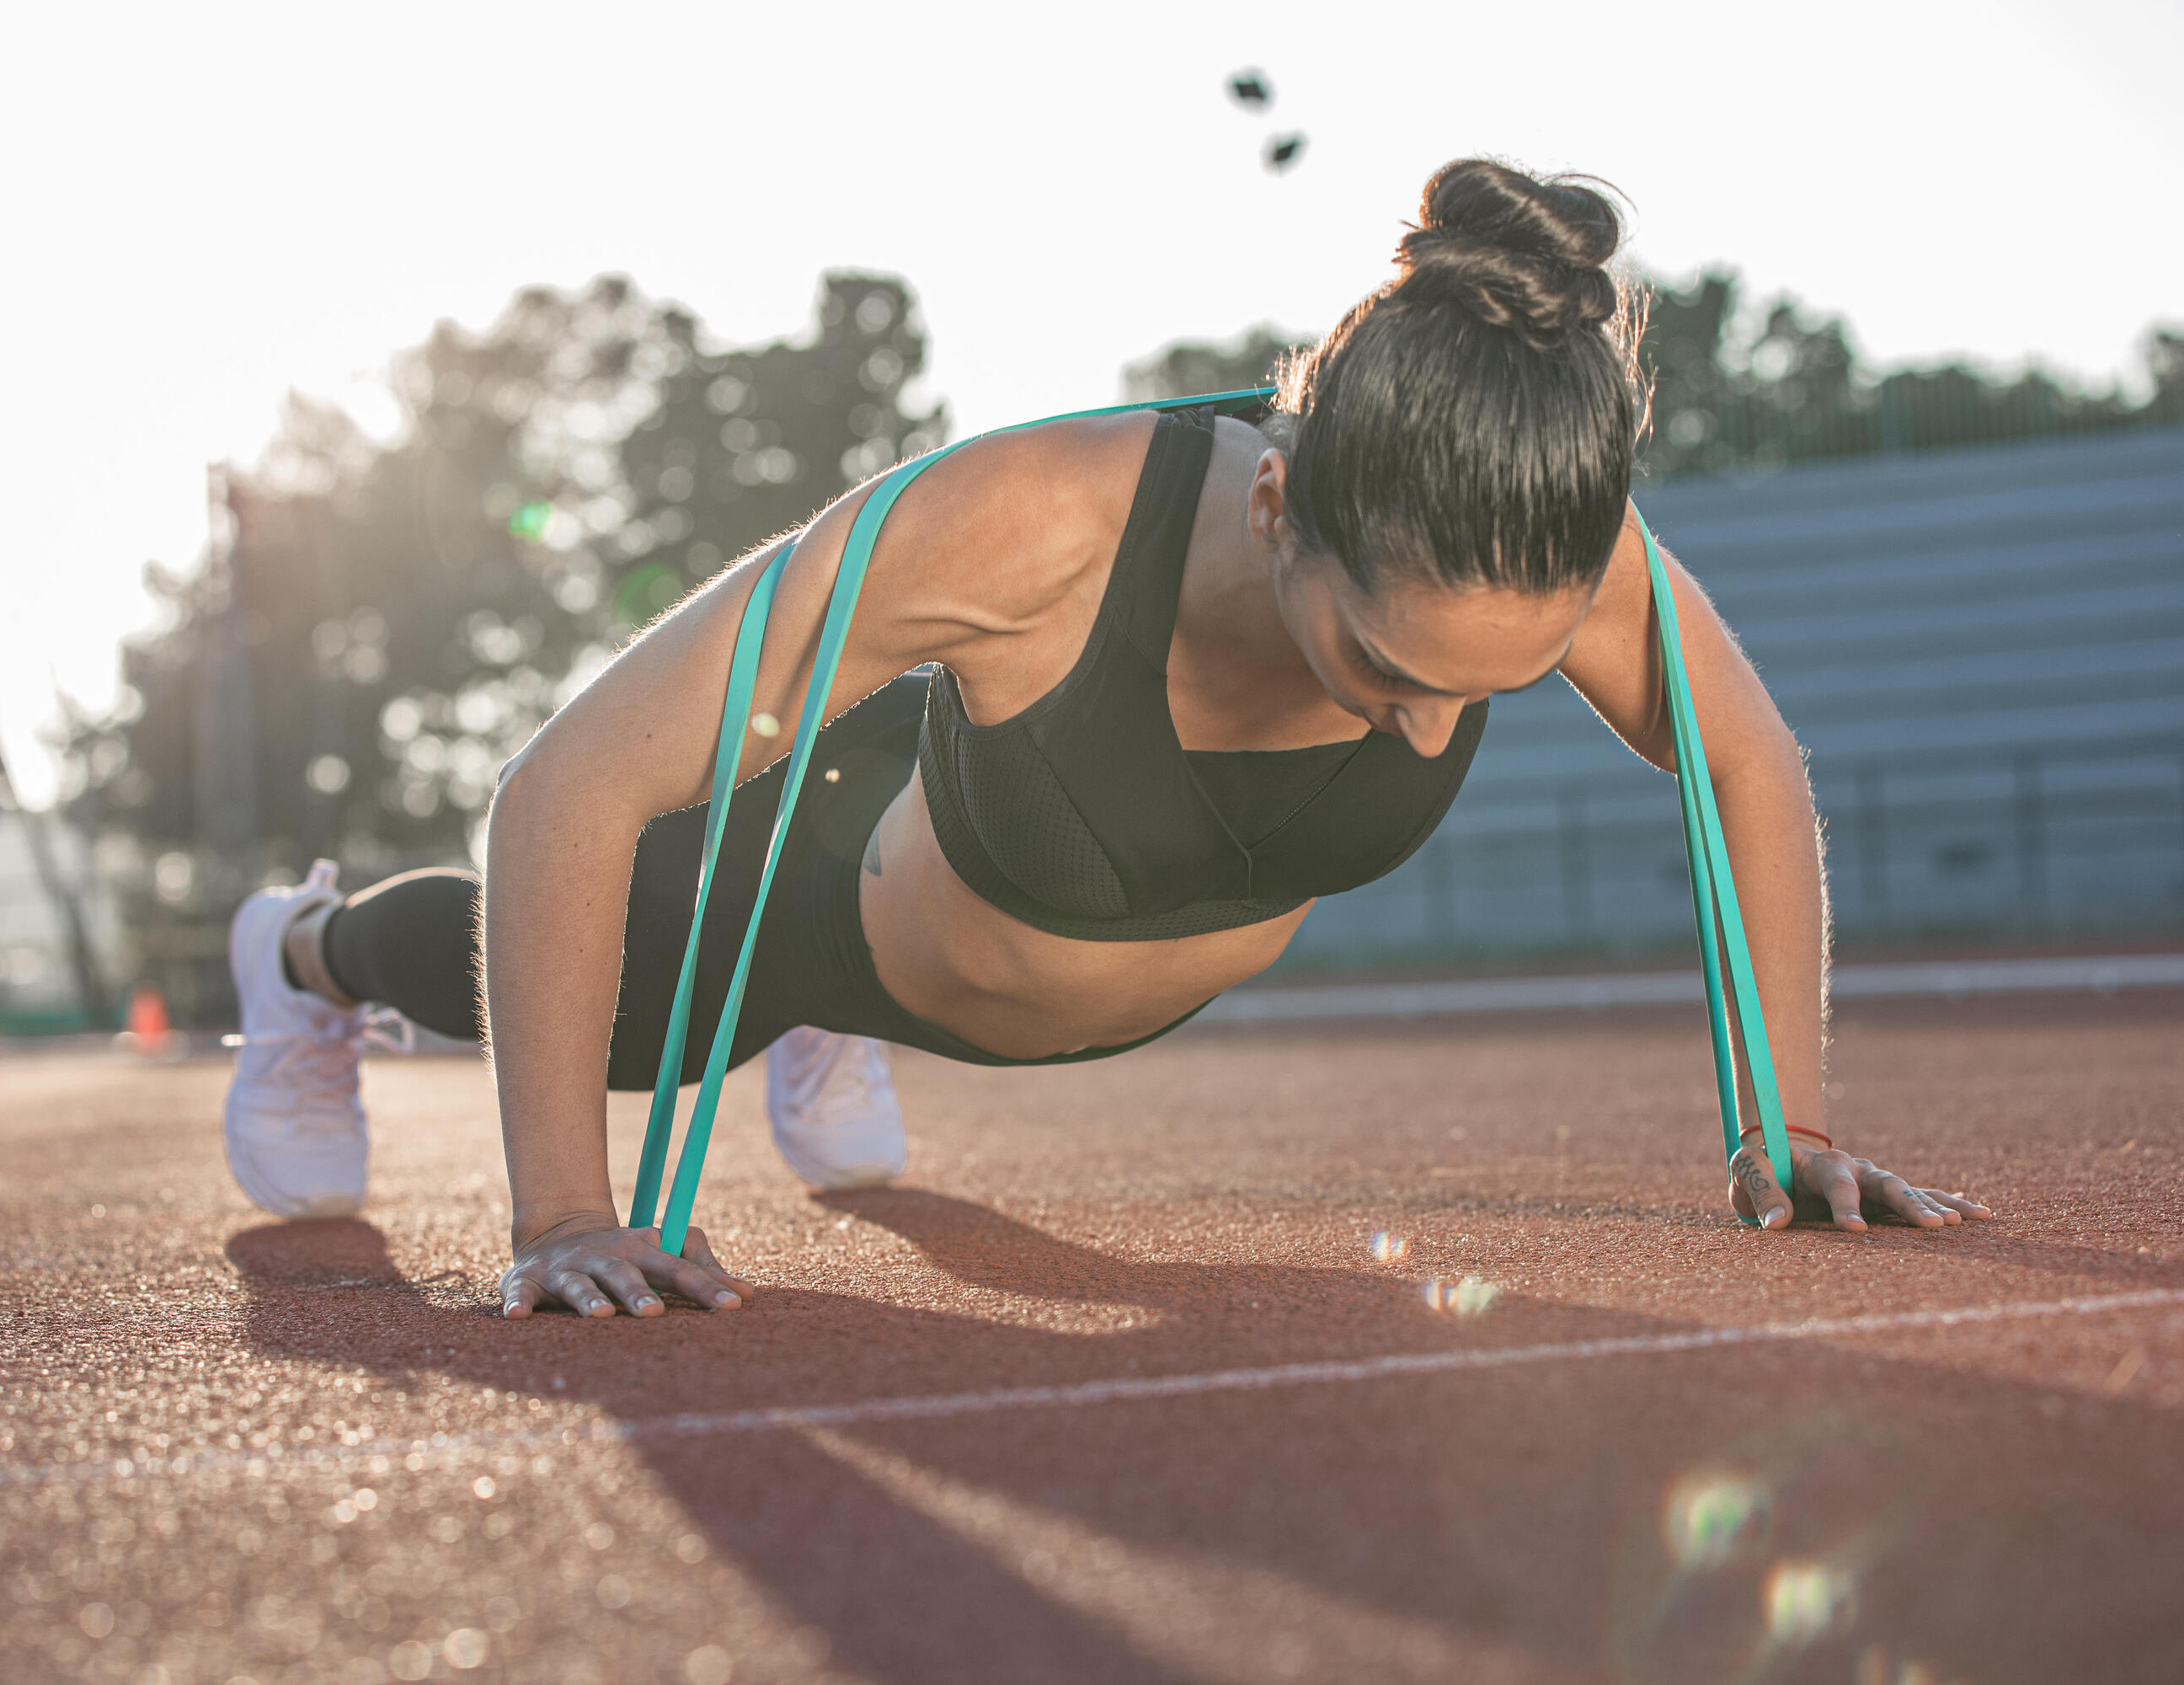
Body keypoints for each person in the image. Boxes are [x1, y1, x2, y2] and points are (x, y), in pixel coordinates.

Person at [222, 158, 1992, 1320]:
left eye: (1489, 688)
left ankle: (815, 1039)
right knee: (637, 1024)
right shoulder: (1028, 526)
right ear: (1283, 502)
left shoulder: (1544, 540)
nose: (1432, 720)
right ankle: (299, 954)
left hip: (1005, 931)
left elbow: (1749, 765)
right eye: (1387, 660)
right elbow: (572, 781)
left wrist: (1793, 1119)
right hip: (837, 873)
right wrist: (555, 1219)